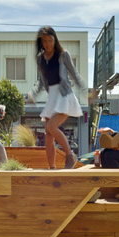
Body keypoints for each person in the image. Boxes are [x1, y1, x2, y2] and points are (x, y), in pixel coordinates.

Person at [27, 26, 85, 169]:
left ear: (55, 40)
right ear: (41, 42)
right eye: (45, 41)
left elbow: (74, 73)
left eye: (50, 40)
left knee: (52, 127)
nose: (48, 44)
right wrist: (32, 94)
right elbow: (42, 82)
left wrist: (85, 90)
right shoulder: (40, 58)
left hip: (64, 94)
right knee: (48, 133)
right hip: (52, 96)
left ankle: (70, 155)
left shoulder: (63, 54)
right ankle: (51, 167)